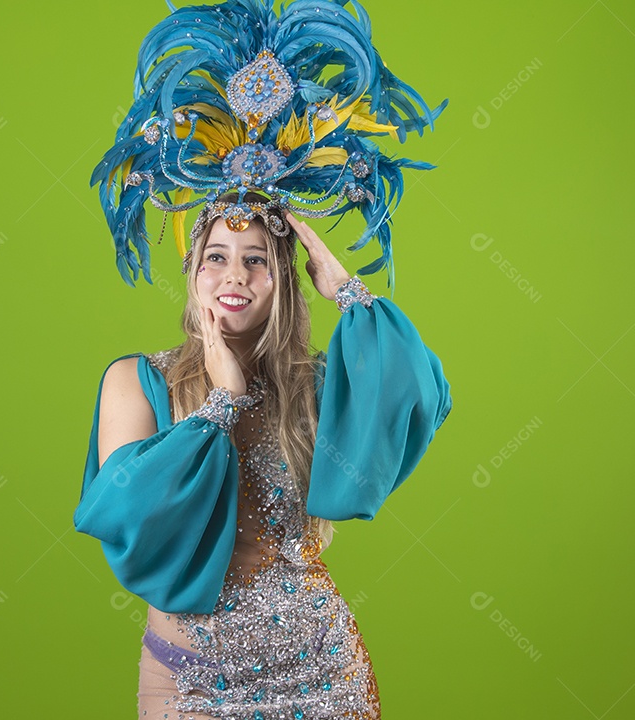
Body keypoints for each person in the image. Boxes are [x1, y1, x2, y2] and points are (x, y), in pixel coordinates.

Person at [75, 2, 452, 716]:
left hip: (320, 670)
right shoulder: (137, 381)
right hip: (191, 673)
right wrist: (218, 403)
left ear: (283, 276)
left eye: (256, 260)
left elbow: (419, 393)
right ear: (192, 274)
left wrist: (347, 291)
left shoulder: (313, 387)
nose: (234, 278)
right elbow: (127, 515)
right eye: (215, 257)